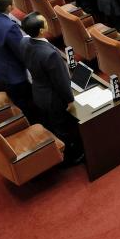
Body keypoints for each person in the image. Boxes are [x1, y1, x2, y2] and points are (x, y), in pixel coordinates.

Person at [20, 13, 82, 164]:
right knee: (61, 128)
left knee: (51, 124)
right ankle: (68, 158)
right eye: (45, 22)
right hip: (53, 98)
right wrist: (70, 100)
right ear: (41, 30)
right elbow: (60, 81)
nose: (47, 22)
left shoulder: (24, 41)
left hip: (38, 91)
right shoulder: (50, 54)